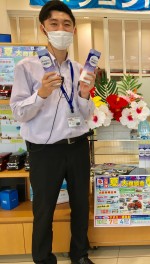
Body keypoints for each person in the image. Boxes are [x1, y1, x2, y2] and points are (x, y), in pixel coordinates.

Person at [10, 1, 96, 263]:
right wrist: (41, 94)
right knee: (44, 209)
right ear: (43, 28)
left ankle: (79, 255)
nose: (61, 29)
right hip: (45, 150)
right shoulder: (26, 67)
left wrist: (83, 94)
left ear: (74, 29)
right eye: (54, 24)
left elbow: (86, 113)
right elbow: (18, 112)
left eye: (67, 24)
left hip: (78, 144)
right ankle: (44, 259)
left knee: (81, 204)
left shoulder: (80, 69)